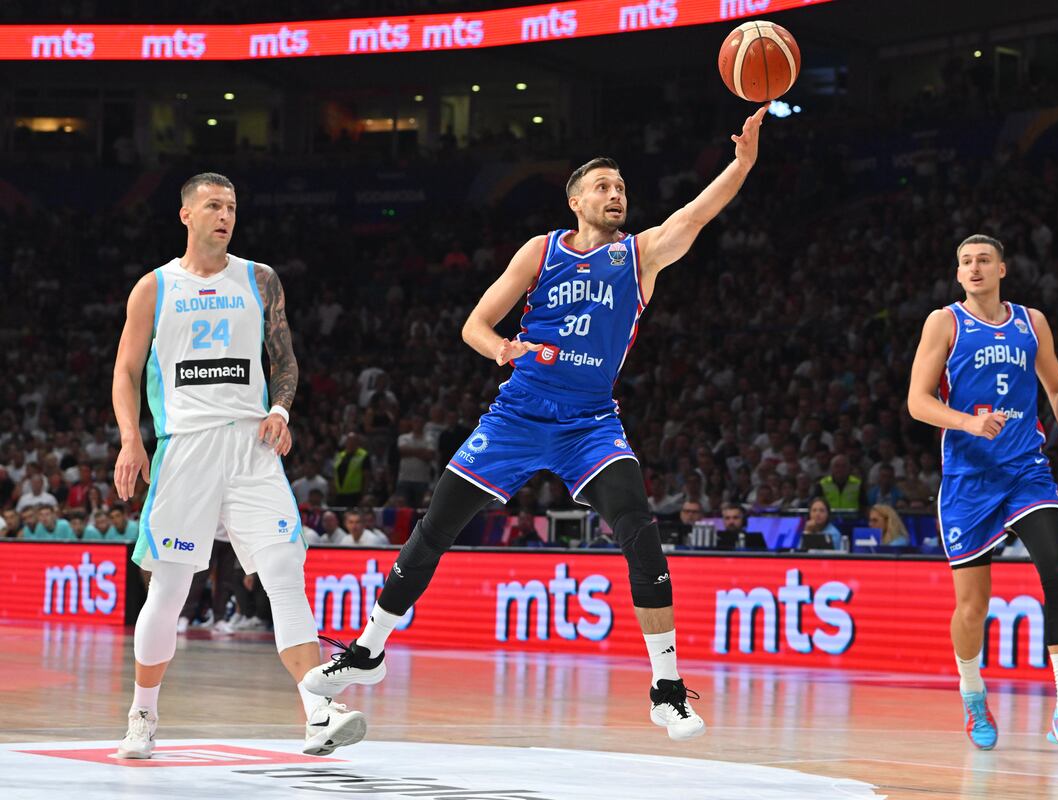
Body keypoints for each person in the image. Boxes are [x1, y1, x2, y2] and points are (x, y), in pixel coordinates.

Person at [304, 107, 772, 742]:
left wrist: (741, 163)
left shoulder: (639, 258)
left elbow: (693, 215)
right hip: (519, 414)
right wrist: (500, 349)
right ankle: (369, 650)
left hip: (590, 423)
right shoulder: (540, 250)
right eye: (604, 187)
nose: (616, 196)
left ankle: (666, 689)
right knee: (434, 531)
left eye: (622, 188)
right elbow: (474, 324)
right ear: (576, 199)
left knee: (637, 525)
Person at [110, 172, 364, 760]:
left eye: (231, 207)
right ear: (186, 216)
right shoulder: (154, 287)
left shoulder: (260, 279)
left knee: (283, 572)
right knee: (169, 590)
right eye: (213, 206)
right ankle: (142, 716)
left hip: (252, 448)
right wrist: (130, 439)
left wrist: (280, 407)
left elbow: (285, 360)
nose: (225, 215)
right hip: (184, 448)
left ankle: (318, 712)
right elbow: (125, 371)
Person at [907, 233, 1058, 754]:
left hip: (1026, 471)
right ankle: (973, 694)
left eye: (983, 261)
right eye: (965, 262)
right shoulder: (944, 322)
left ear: (1003, 269)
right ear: (958, 274)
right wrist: (966, 425)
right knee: (973, 608)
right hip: (969, 481)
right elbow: (916, 401)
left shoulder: (1031, 322)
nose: (974, 268)